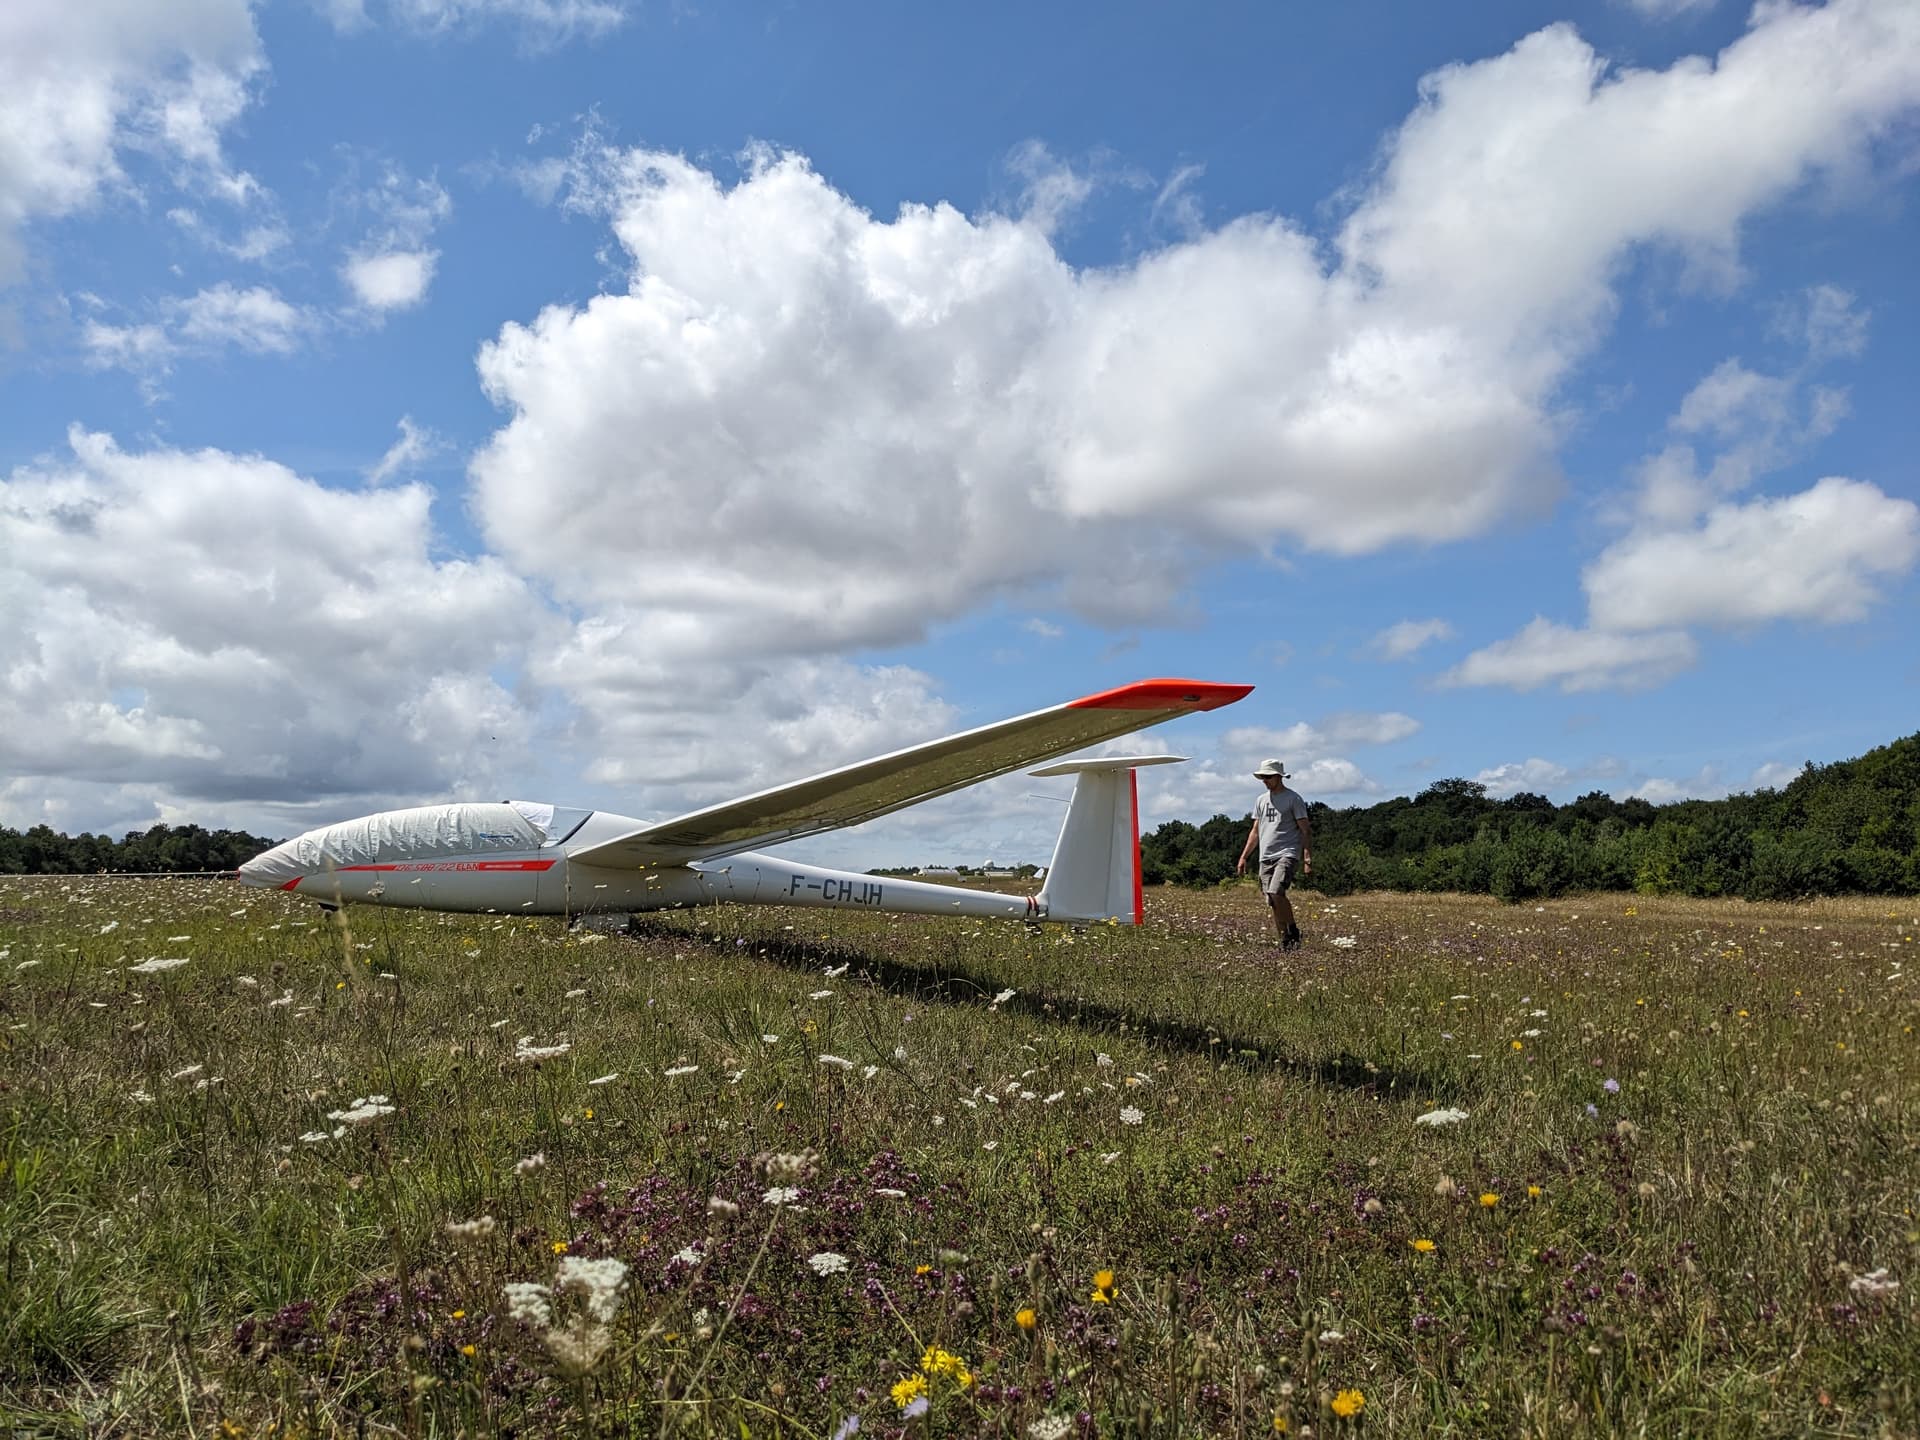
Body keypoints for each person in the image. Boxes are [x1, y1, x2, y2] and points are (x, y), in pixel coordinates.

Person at [1235, 759, 1312, 949]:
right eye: (1263, 777)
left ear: (1279, 776)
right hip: (1266, 856)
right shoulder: (1261, 800)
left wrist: (1307, 858)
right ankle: (1286, 941)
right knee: (1271, 900)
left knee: (1276, 891)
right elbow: (1255, 831)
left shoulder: (1293, 799)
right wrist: (1244, 857)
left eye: (1268, 777)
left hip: (1287, 853)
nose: (1265, 780)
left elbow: (1306, 830)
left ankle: (1293, 929)